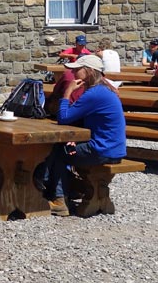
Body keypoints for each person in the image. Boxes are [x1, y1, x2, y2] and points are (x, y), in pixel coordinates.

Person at [40, 54, 126, 217]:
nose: (74, 74)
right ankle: (64, 190)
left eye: (78, 70)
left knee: (59, 152)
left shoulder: (94, 94)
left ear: (88, 72)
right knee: (66, 148)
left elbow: (63, 118)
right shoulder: (104, 91)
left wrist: (68, 92)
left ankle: (59, 200)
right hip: (114, 148)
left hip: (103, 150)